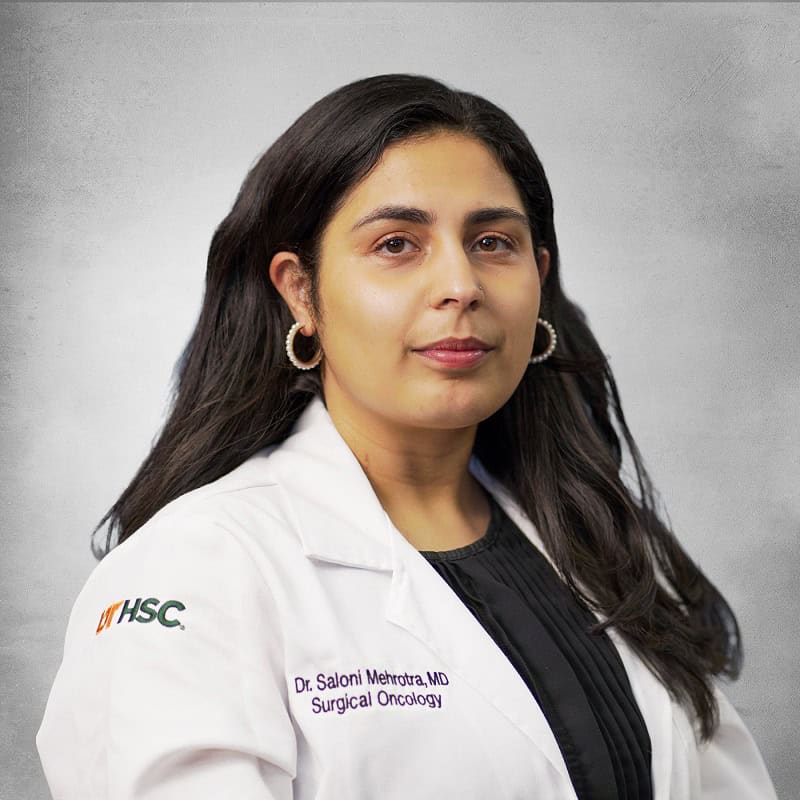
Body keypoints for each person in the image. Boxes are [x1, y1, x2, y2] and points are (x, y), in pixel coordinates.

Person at [36, 73, 778, 800]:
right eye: (397, 244)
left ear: (538, 278)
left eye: (493, 242)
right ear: (301, 291)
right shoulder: (196, 567)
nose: (462, 285)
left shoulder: (599, 542)